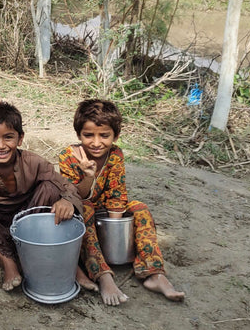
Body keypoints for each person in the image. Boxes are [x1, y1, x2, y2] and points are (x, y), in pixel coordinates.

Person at [0, 101, 90, 292]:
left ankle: (56, 258)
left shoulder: (33, 162)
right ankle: (8, 261)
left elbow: (67, 187)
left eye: (8, 137)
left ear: (20, 139)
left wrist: (66, 200)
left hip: (27, 222)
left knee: (50, 188)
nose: (0, 145)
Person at [57, 99, 186, 305]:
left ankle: (153, 273)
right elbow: (74, 196)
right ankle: (102, 275)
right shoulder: (68, 156)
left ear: (115, 135)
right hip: (82, 209)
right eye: (88, 135)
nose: (96, 142)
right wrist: (88, 176)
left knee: (139, 208)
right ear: (79, 134)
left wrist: (114, 235)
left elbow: (117, 192)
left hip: (106, 215)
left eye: (104, 135)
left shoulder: (115, 154)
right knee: (87, 209)